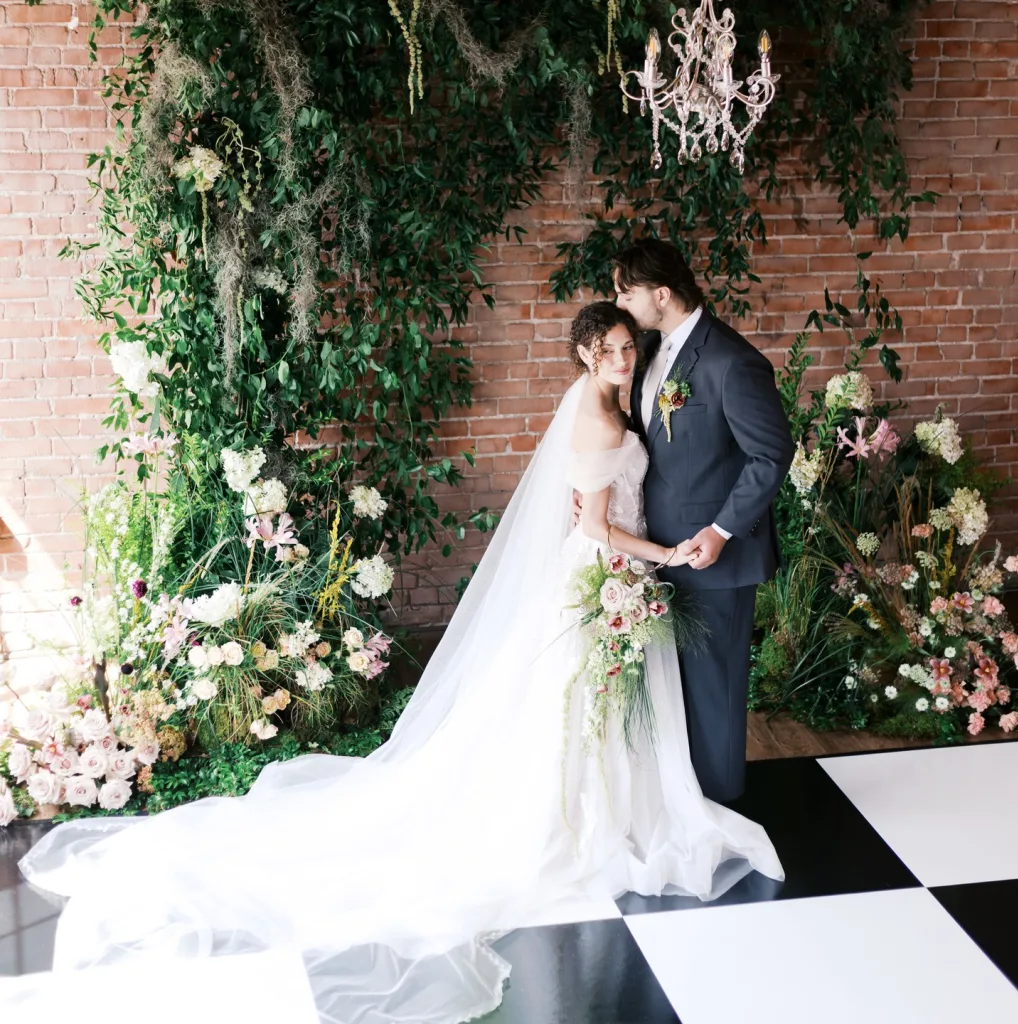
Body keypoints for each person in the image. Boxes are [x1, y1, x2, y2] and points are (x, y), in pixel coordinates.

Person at [18, 302, 783, 1024]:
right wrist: (664, 556)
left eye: (626, 346)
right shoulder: (593, 414)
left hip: (622, 577)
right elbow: (594, 528)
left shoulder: (619, 399)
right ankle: (586, 821)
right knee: (575, 706)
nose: (623, 357)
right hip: (606, 573)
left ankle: (621, 810)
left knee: (595, 707)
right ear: (585, 355)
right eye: (609, 349)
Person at [614, 238, 795, 804]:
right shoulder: (650, 351)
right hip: (655, 550)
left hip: (713, 556)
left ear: (661, 295)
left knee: (713, 690)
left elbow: (772, 454)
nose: (618, 302)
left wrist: (720, 531)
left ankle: (721, 810)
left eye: (626, 292)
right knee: (670, 689)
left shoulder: (731, 361)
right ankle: (681, 805)